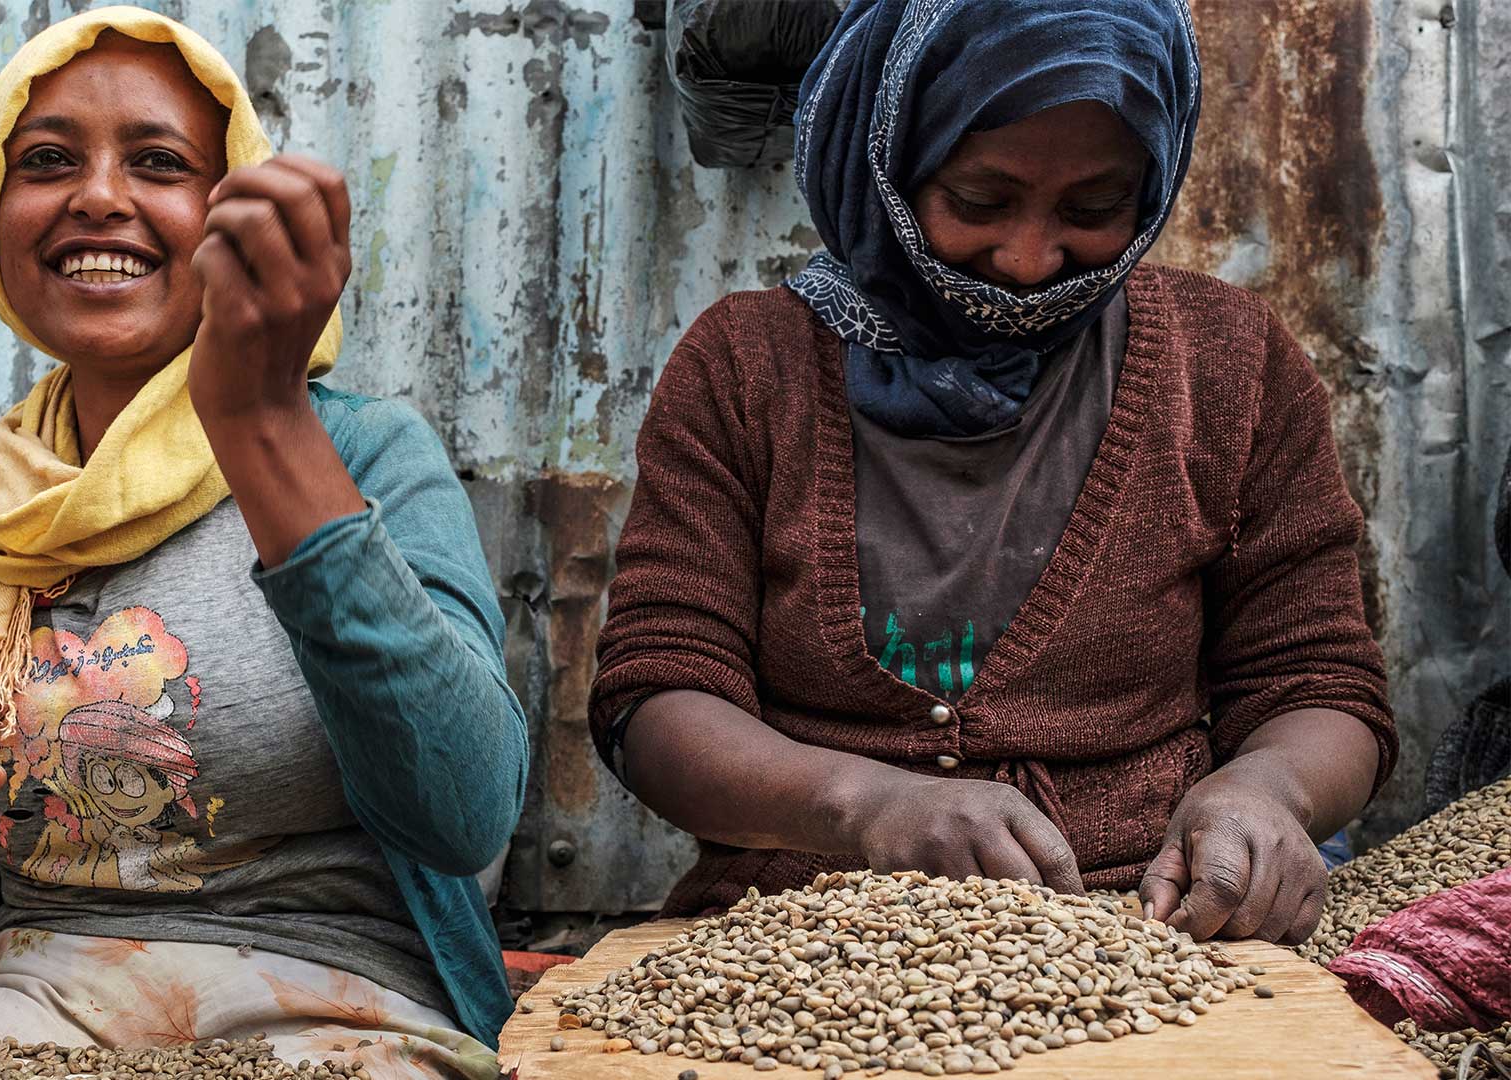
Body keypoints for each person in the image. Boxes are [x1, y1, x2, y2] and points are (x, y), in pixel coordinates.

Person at [590, 0, 1395, 948]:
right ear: (885, 155)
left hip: (1159, 929)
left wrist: (1266, 790)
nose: (1029, 259)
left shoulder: (1228, 363)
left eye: (1095, 209)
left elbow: (1319, 680)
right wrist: (861, 805)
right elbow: (657, 696)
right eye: (978, 202)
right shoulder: (746, 365)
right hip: (800, 934)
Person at [0, 10, 525, 1076]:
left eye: (159, 163)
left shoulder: (363, 454)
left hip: (338, 1012)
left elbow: (465, 813)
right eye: (47, 160)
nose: (98, 196)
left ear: (230, 210)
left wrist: (266, 423)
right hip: (29, 1007)